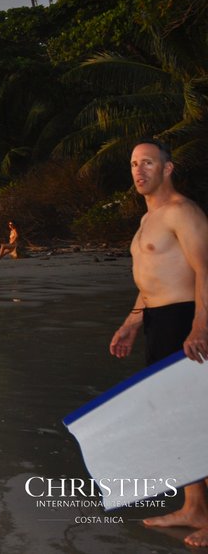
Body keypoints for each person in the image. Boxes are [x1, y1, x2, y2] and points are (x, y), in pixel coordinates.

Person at [108, 139, 208, 547]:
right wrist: (133, 321)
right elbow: (151, 277)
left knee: (199, 420)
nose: (139, 170)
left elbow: (205, 270)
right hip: (157, 321)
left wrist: (201, 325)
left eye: (148, 162)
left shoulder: (182, 212)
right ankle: (195, 506)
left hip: (186, 320)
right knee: (175, 421)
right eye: (134, 163)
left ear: (167, 169)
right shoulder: (148, 219)